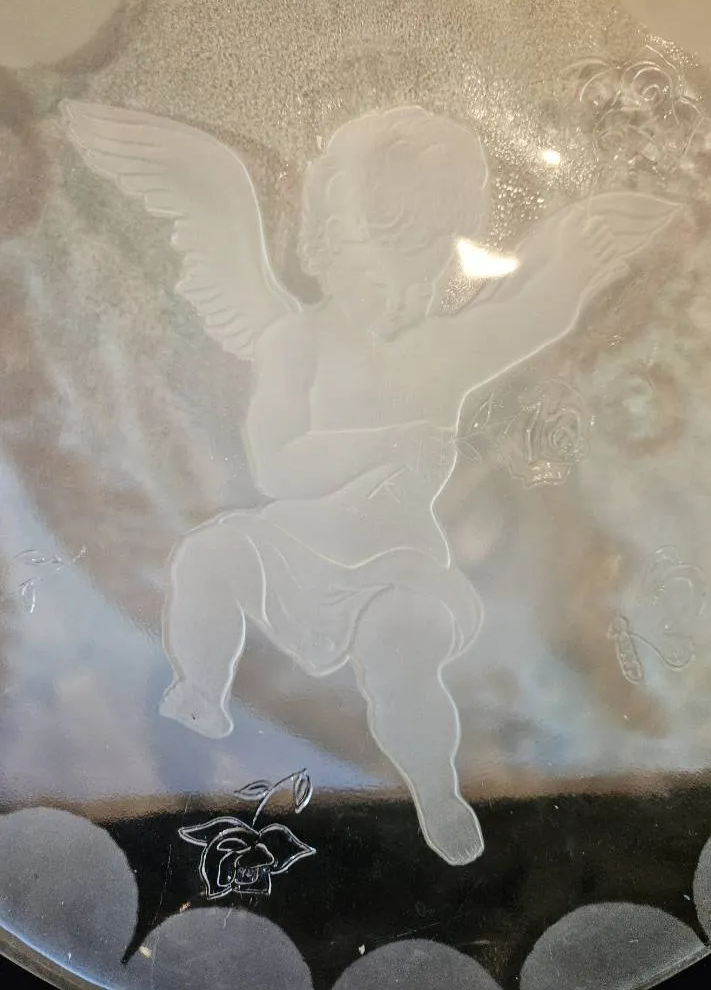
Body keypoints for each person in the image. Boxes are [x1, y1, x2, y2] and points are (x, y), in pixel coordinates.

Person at [64, 100, 678, 865]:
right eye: (387, 248)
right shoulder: (298, 341)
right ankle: (199, 686)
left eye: (432, 254)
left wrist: (578, 251)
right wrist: (387, 442)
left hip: (399, 568)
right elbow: (277, 464)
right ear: (327, 242)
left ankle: (435, 791)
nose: (410, 281)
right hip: (290, 550)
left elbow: (534, 312)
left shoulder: (442, 352)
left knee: (403, 657)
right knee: (207, 559)